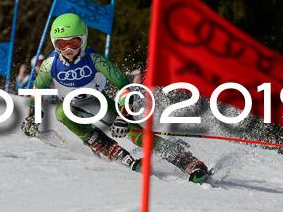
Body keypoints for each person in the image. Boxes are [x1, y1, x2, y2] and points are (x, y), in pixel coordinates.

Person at [20, 13, 211, 183]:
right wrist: (32, 118)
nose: (68, 49)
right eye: (62, 44)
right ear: (55, 44)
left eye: (74, 42)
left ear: (84, 40)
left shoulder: (95, 60)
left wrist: (122, 115)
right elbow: (38, 89)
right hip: (71, 107)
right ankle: (111, 150)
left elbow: (123, 86)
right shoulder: (49, 65)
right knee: (62, 112)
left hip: (99, 103)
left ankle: (189, 162)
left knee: (137, 136)